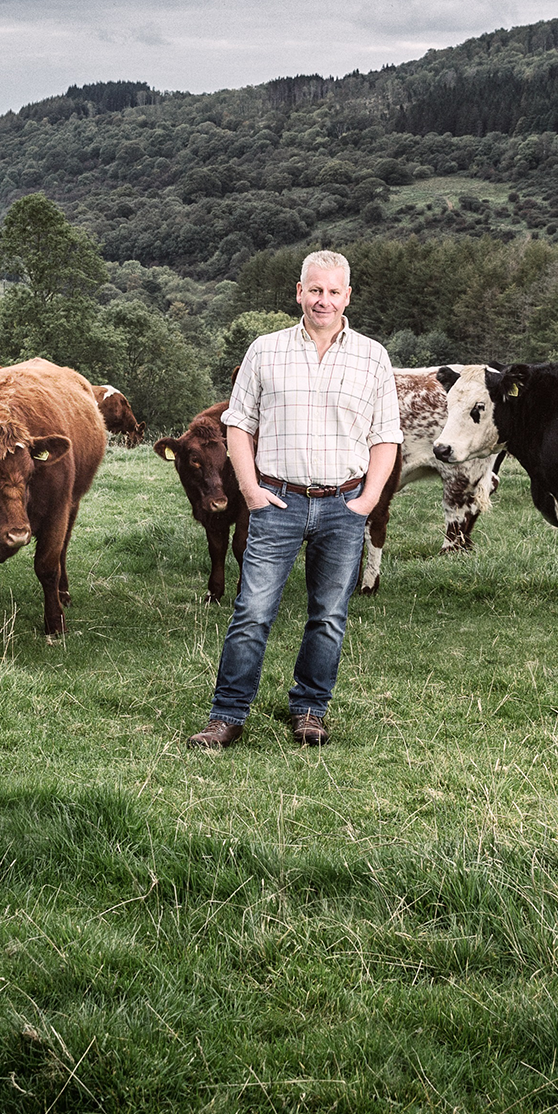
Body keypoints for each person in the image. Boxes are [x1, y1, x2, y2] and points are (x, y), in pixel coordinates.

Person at [190, 250, 399, 749]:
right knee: (252, 611)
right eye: (314, 289)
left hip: (342, 504)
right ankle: (227, 716)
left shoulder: (373, 356)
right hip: (277, 502)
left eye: (333, 291)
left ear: (347, 296)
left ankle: (309, 710)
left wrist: (367, 501)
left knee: (328, 615)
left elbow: (385, 437)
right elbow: (238, 424)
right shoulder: (265, 350)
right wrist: (251, 491)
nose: (323, 300)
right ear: (298, 291)